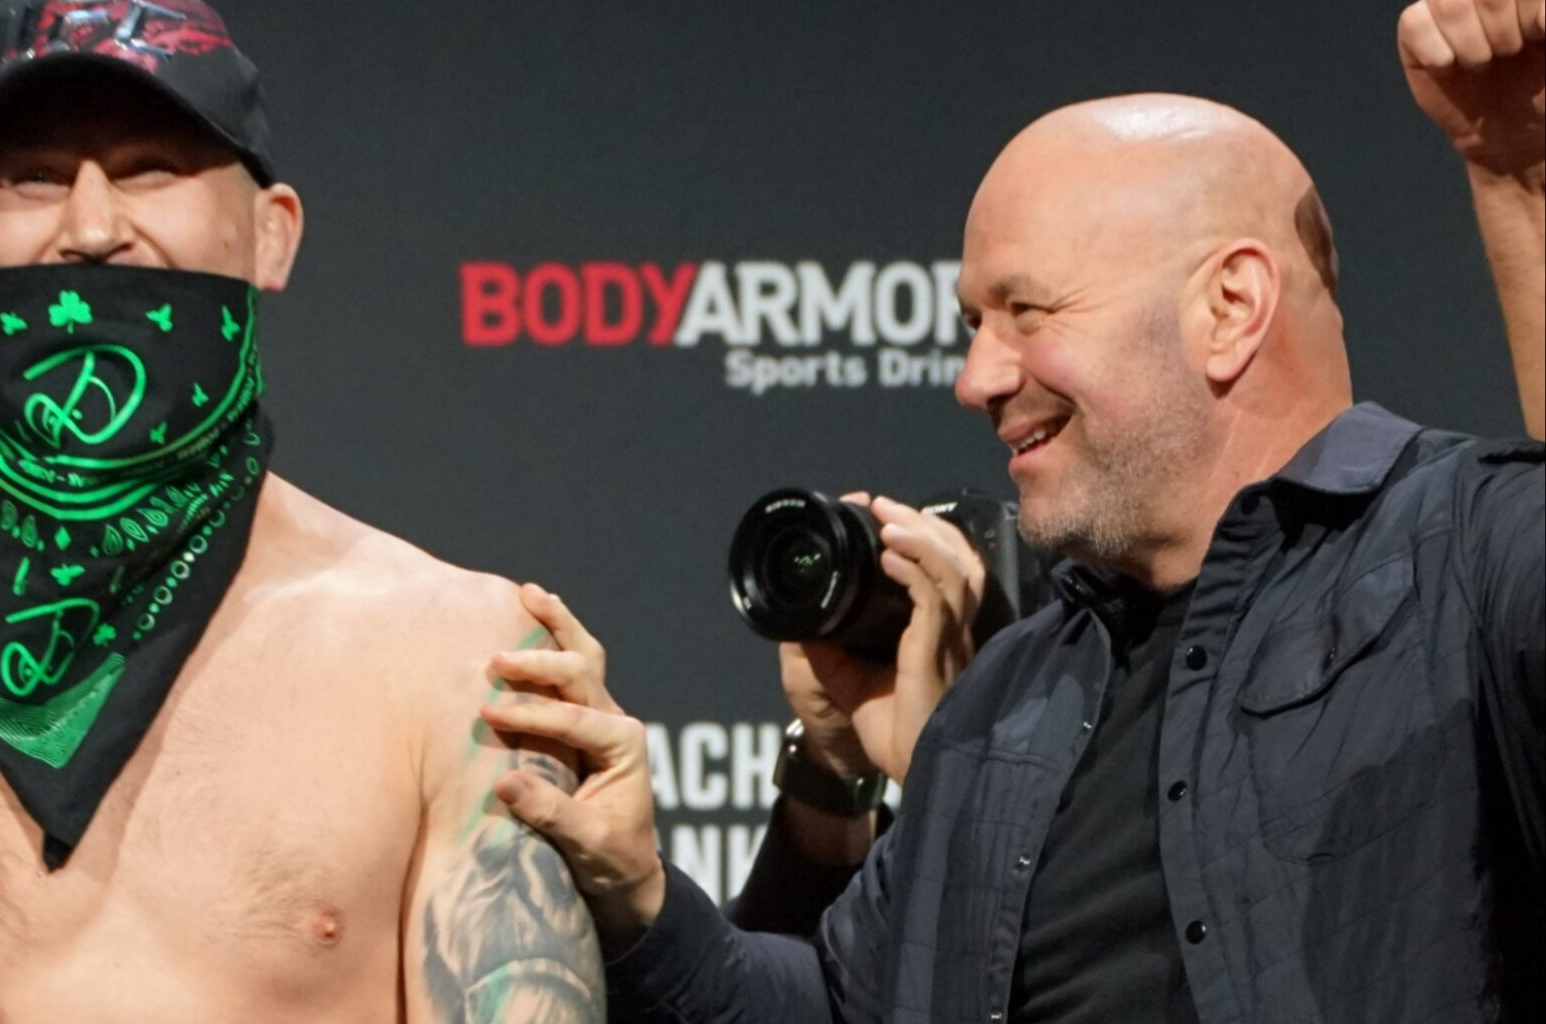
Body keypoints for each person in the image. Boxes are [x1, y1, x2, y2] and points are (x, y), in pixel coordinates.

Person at [481, 2, 1546, 1021]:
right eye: (972, 324)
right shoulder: (1007, 697)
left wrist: (1522, 179)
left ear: (1229, 308)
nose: (976, 378)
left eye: (1026, 312)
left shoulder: (1461, 555)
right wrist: (637, 891)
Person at [0, 3, 603, 1021]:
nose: (92, 228)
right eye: (33, 177)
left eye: (151, 169)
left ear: (272, 234)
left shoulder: (457, 652)